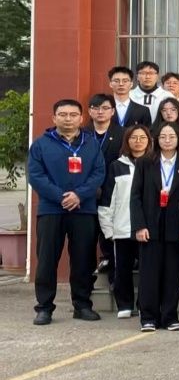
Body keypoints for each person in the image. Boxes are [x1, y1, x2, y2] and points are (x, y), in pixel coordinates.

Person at [30, 99, 106, 325]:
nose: (68, 119)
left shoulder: (91, 144)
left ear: (81, 118)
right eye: (62, 114)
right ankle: (44, 307)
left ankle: (82, 305)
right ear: (54, 118)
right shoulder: (41, 144)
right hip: (51, 210)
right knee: (47, 260)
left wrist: (79, 195)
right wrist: (61, 197)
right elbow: (36, 175)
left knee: (83, 259)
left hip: (83, 209)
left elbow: (98, 173)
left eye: (73, 115)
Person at [130, 121, 179, 331]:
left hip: (176, 226)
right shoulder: (145, 162)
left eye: (172, 136)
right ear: (156, 139)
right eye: (163, 136)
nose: (167, 140)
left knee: (172, 273)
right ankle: (148, 317)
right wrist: (139, 225)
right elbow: (135, 196)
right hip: (150, 225)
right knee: (149, 273)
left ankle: (169, 316)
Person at [100, 124, 151, 320]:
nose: (138, 141)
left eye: (142, 137)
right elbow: (107, 200)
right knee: (122, 269)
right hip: (122, 228)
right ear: (127, 141)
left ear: (149, 141)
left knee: (147, 270)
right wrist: (108, 229)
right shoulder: (117, 166)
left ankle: (144, 305)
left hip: (147, 228)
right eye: (133, 138)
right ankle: (124, 304)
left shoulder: (154, 164)